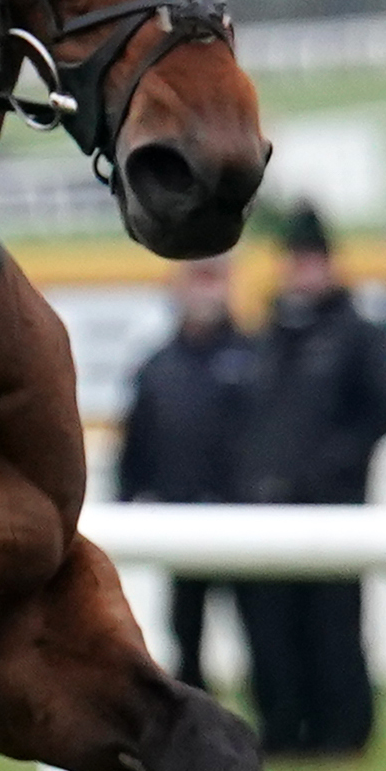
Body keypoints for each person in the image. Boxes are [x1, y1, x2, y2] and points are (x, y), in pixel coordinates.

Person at [230, 205, 386, 757]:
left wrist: (332, 466)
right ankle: (282, 730)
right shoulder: (271, 333)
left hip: (331, 506)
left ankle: (342, 732)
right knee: (272, 628)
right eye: (295, 261)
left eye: (311, 261)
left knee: (333, 624)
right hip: (269, 509)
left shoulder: (356, 333)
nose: (302, 272)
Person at [115, 252, 257, 693]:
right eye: (197, 277)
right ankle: (194, 725)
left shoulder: (257, 356)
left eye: (213, 278)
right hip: (179, 517)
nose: (205, 289)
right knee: (184, 631)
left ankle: (282, 731)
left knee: (262, 629)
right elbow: (136, 443)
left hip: (248, 520)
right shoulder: (156, 366)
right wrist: (126, 504)